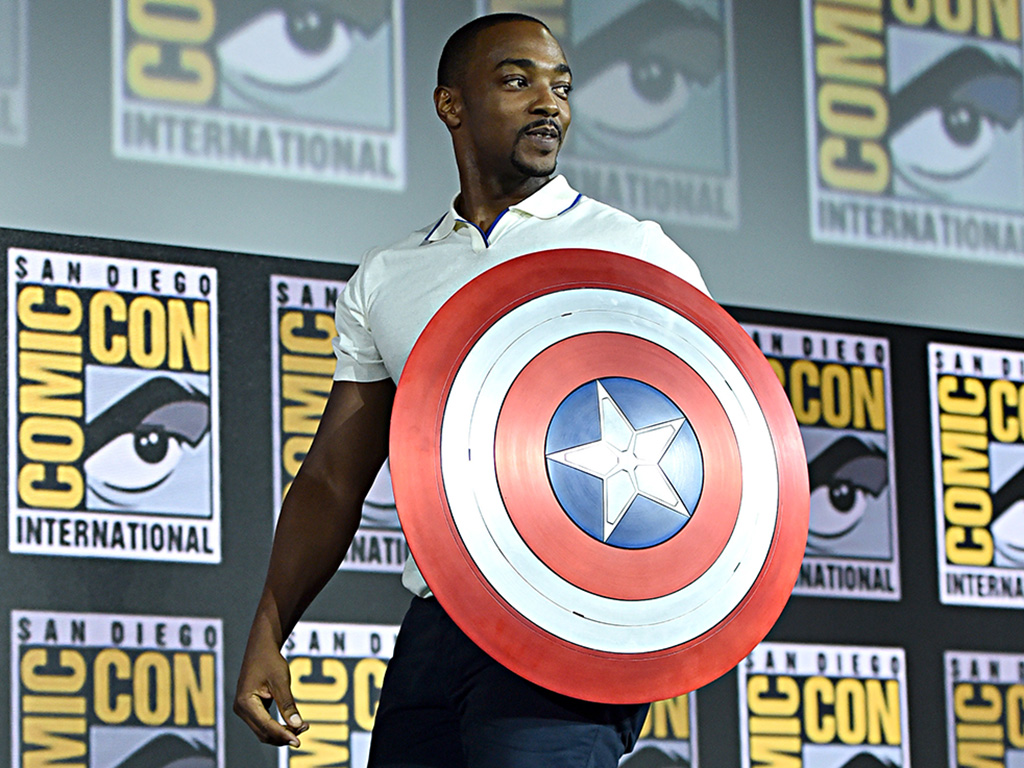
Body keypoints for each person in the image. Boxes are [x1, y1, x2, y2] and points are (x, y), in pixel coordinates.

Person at [234, 12, 709, 767]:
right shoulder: (389, 276)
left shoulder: (634, 251)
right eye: (518, 81)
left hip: (568, 624)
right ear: (450, 104)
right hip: (437, 622)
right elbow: (331, 479)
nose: (548, 104)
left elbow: (717, 442)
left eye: (561, 87)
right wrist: (269, 626)